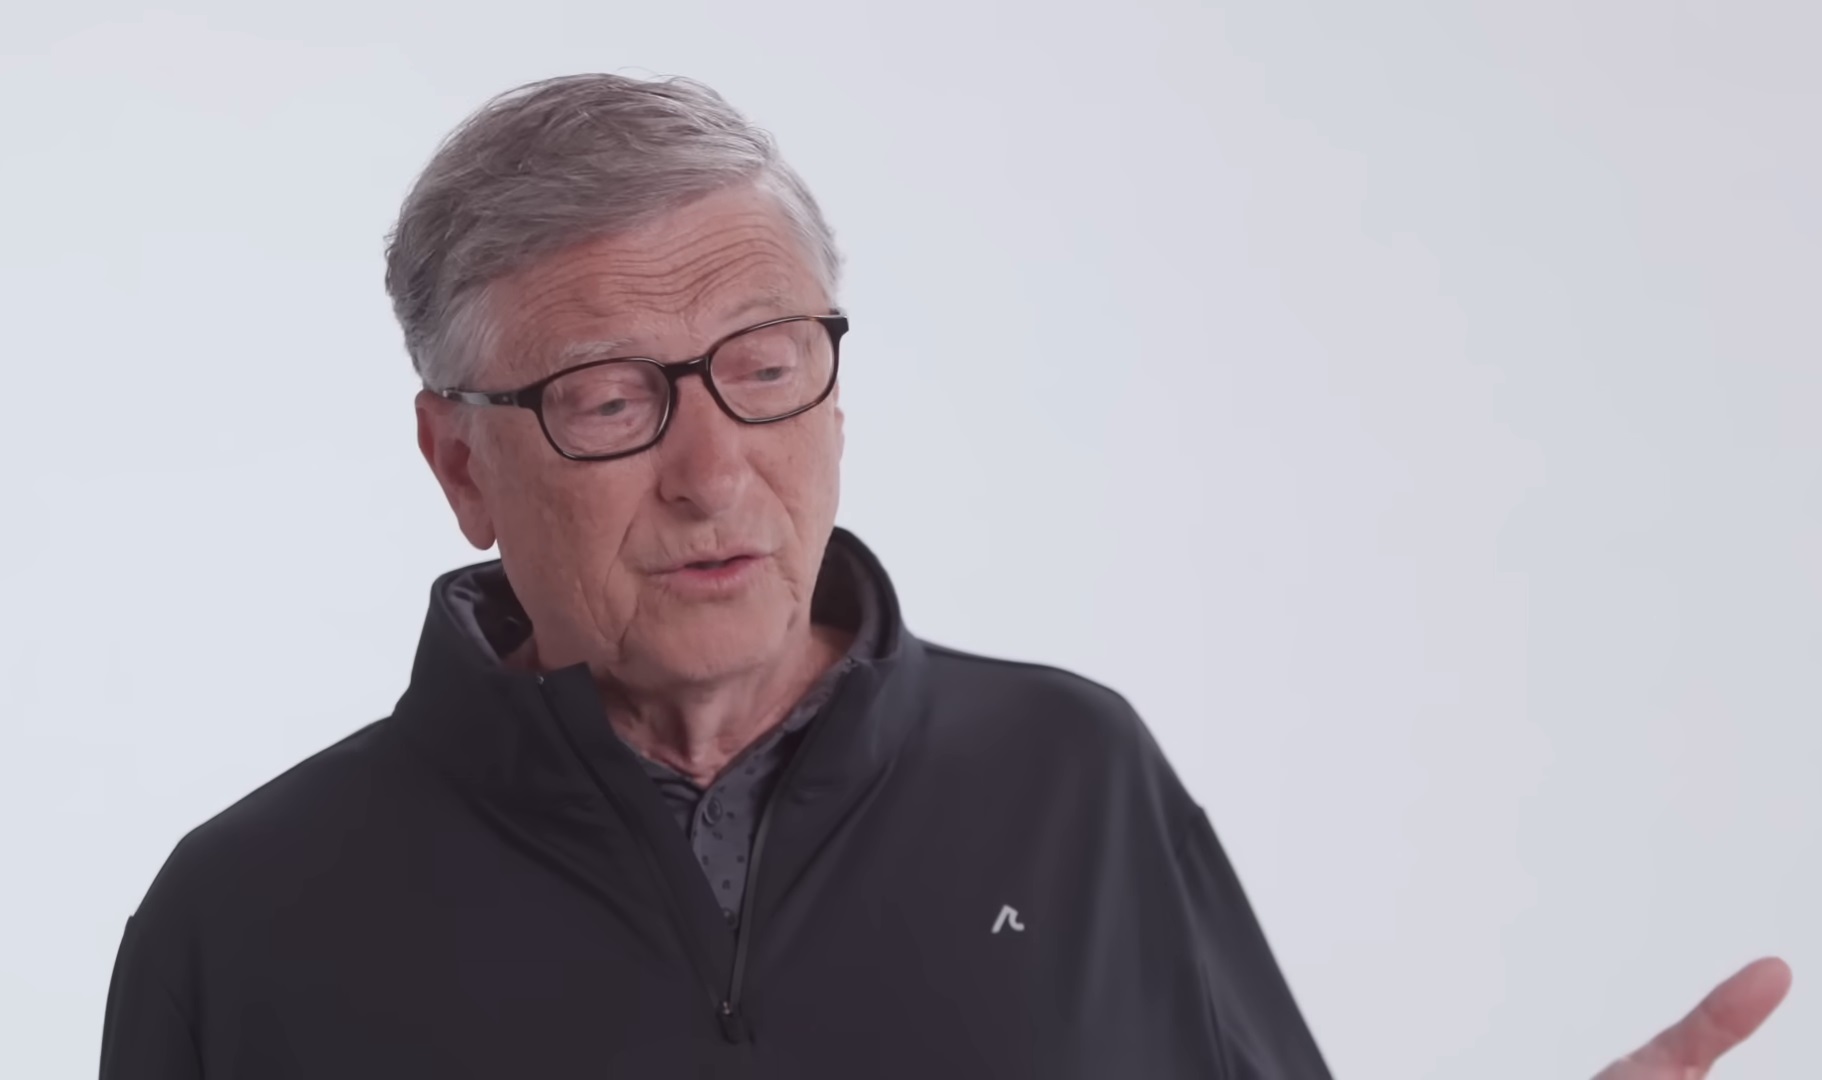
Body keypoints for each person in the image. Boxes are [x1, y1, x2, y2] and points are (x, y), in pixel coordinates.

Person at [98, 73, 1790, 1079]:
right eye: (609, 401)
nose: (713, 471)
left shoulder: (1073, 778)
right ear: (461, 463)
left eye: (765, 365)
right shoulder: (248, 919)